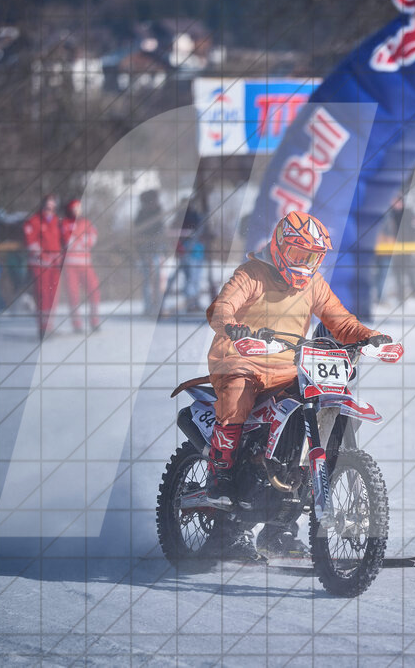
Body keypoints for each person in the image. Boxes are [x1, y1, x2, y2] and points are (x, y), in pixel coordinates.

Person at [205, 210, 391, 558]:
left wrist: (370, 337)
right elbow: (221, 307)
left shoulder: (313, 284)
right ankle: (222, 476)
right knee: (238, 395)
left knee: (312, 425)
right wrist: (233, 327)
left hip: (289, 368)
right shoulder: (252, 274)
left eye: (312, 257)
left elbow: (341, 321)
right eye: (297, 254)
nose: (304, 264)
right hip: (239, 360)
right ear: (278, 246)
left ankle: (279, 531)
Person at [22, 194, 64, 339]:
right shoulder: (33, 221)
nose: (49, 210)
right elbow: (31, 242)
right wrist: (42, 255)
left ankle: (49, 327)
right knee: (43, 296)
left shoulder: (57, 222)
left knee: (53, 297)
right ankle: (42, 328)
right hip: (40, 265)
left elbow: (62, 241)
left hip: (54, 265)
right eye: (47, 206)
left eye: (53, 207)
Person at [59, 199, 101, 332]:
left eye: (79, 207)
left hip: (85, 264)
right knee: (73, 294)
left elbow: (92, 238)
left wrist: (80, 240)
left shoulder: (86, 222)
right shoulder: (64, 223)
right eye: (74, 208)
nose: (77, 210)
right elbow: (67, 241)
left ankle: (94, 320)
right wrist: (79, 240)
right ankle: (76, 323)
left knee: (94, 290)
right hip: (70, 265)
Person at [134, 189, 165, 316]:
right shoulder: (142, 215)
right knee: (148, 280)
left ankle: (157, 307)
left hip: (157, 250)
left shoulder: (159, 213)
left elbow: (161, 231)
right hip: (147, 251)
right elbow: (139, 233)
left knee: (158, 280)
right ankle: (149, 307)